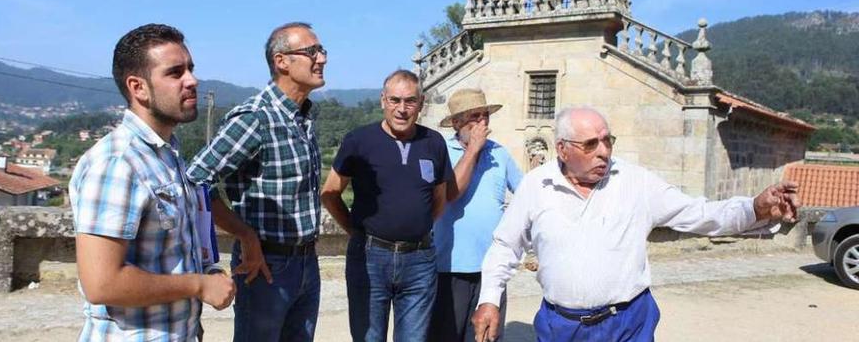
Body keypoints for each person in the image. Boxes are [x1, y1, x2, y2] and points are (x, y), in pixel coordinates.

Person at [472, 107, 800, 342]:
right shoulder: (535, 186)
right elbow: (505, 245)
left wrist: (755, 207)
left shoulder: (635, 181)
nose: (603, 152)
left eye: (607, 141)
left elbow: (699, 214)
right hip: (561, 327)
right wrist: (489, 299)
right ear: (562, 149)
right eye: (590, 144)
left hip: (628, 323)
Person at [70, 23, 235, 341]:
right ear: (138, 88)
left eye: (190, 68)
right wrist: (198, 285)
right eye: (175, 73)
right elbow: (102, 283)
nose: (192, 80)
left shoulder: (167, 155)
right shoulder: (118, 162)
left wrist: (204, 274)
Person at [187, 22, 328, 342]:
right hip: (266, 266)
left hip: (306, 261)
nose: (321, 59)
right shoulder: (256, 118)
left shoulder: (303, 117)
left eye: (321, 50)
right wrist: (245, 236)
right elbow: (195, 181)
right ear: (282, 61)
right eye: (311, 52)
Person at [321, 70, 455, 342]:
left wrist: (416, 226)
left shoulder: (434, 143)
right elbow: (330, 193)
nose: (402, 109)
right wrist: (355, 231)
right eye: (395, 100)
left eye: (410, 101)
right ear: (383, 100)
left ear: (422, 102)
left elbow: (439, 198)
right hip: (370, 258)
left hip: (420, 261)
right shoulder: (359, 141)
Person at [429, 88, 523, 342]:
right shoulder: (441, 151)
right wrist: (473, 150)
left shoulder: (499, 153)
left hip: (491, 268)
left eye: (485, 115)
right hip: (448, 268)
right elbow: (451, 193)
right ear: (457, 122)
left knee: (486, 337)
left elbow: (526, 195)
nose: (483, 122)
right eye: (475, 116)